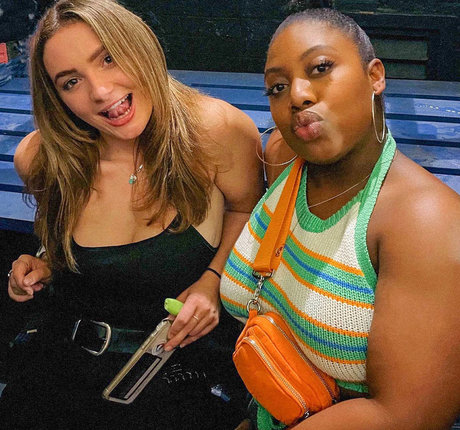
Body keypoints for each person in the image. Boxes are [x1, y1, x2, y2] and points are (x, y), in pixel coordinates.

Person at [3, 0, 263, 428]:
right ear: (57, 97)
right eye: (71, 82)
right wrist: (45, 264)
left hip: (178, 380)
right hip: (58, 371)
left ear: (139, 44)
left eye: (108, 58)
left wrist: (213, 281)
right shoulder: (42, 158)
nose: (100, 91)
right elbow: (60, 239)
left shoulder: (217, 131)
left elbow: (248, 207)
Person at [221, 8, 460, 430]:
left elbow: (404, 415)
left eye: (320, 68)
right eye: (277, 87)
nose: (297, 96)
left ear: (375, 76)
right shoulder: (285, 161)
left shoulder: (424, 222)